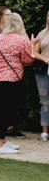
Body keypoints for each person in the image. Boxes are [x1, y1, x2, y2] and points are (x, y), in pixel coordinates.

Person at [0, 13, 33, 154]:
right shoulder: (22, 40)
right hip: (12, 79)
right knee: (6, 112)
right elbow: (28, 60)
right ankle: (0, 144)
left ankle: (2, 140)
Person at [32, 11, 49, 142]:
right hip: (43, 71)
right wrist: (45, 58)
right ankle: (44, 132)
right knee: (45, 101)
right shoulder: (42, 33)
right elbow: (33, 52)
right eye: (48, 15)